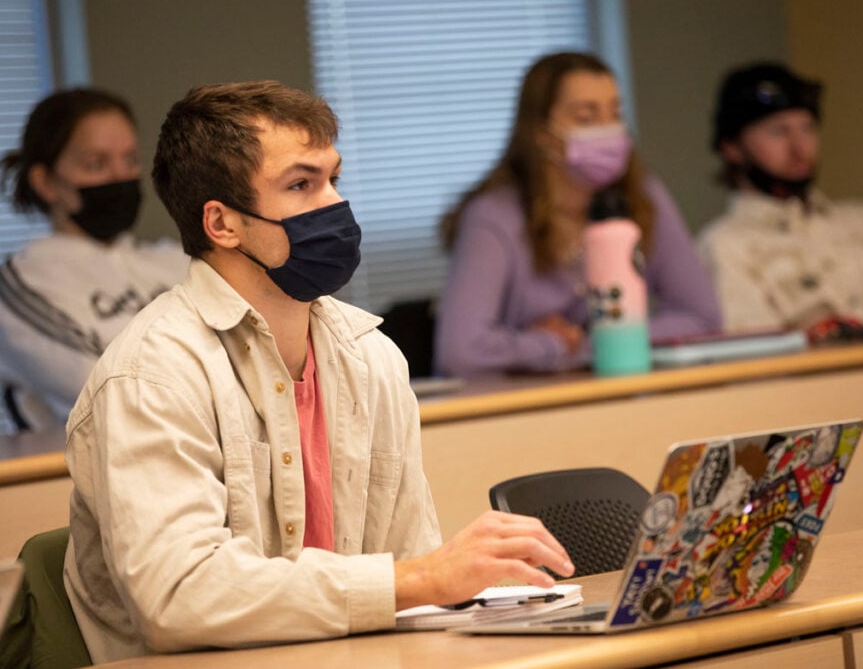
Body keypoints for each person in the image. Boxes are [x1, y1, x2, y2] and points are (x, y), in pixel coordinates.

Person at [63, 80, 573, 662]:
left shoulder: (371, 356)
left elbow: (411, 572)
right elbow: (178, 598)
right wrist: (424, 579)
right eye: (302, 185)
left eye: (334, 179)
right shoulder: (153, 374)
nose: (334, 205)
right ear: (222, 224)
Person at [435, 51, 721, 377]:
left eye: (615, 114)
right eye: (586, 118)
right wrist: (549, 345)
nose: (608, 129)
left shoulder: (642, 194)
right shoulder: (492, 216)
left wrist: (588, 344)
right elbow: (461, 353)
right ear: (542, 133)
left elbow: (703, 316)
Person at [698, 62, 863, 334]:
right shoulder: (725, 247)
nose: (799, 147)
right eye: (778, 131)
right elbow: (756, 354)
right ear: (731, 148)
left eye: (807, 128)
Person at [0, 88, 188, 430]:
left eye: (130, 160)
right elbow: (106, 390)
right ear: (46, 182)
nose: (119, 176)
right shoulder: (26, 282)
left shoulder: (178, 259)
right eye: (96, 164)